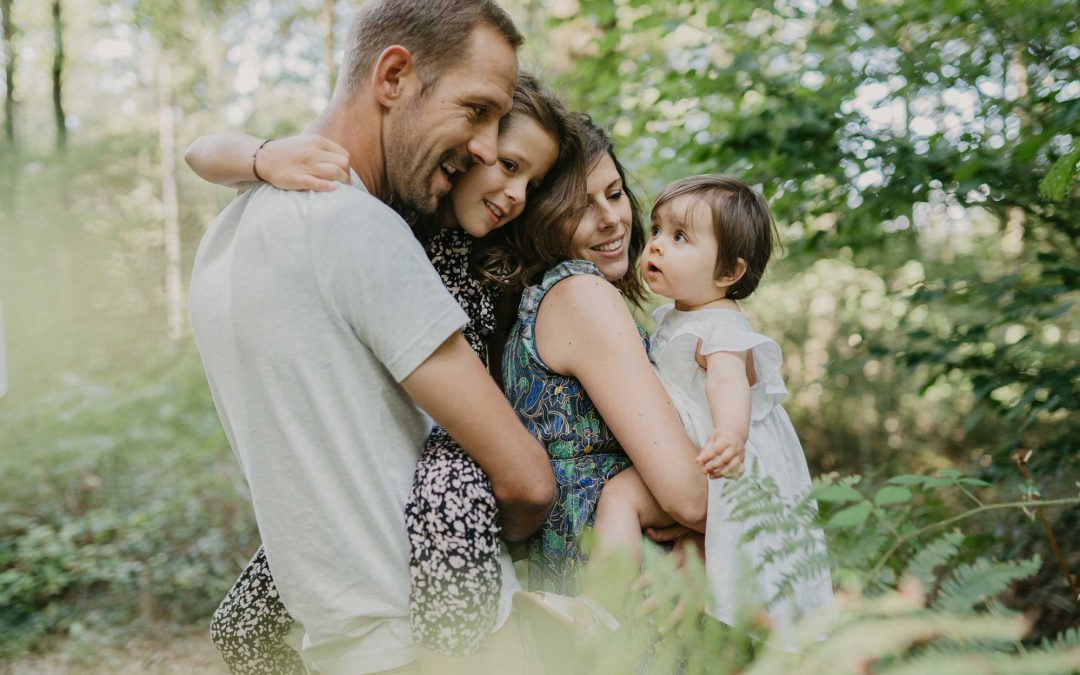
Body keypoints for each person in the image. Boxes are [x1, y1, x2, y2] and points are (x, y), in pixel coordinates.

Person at [186, 2, 556, 673]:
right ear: (393, 77)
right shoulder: (359, 228)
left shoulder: (229, 235)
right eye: (476, 110)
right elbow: (527, 479)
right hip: (444, 644)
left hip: (337, 644)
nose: (484, 146)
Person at [593, 174, 833, 636]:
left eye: (680, 236)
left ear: (728, 273)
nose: (657, 245)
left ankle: (597, 610)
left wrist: (730, 433)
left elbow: (727, 381)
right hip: (695, 458)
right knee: (621, 498)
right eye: (658, 229)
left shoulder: (722, 327)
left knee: (620, 496)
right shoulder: (681, 314)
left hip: (718, 464)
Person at [501, 120, 719, 601]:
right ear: (538, 219)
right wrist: (708, 528)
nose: (611, 219)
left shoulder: (538, 304)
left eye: (615, 193)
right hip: (629, 593)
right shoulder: (581, 294)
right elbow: (689, 494)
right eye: (580, 207)